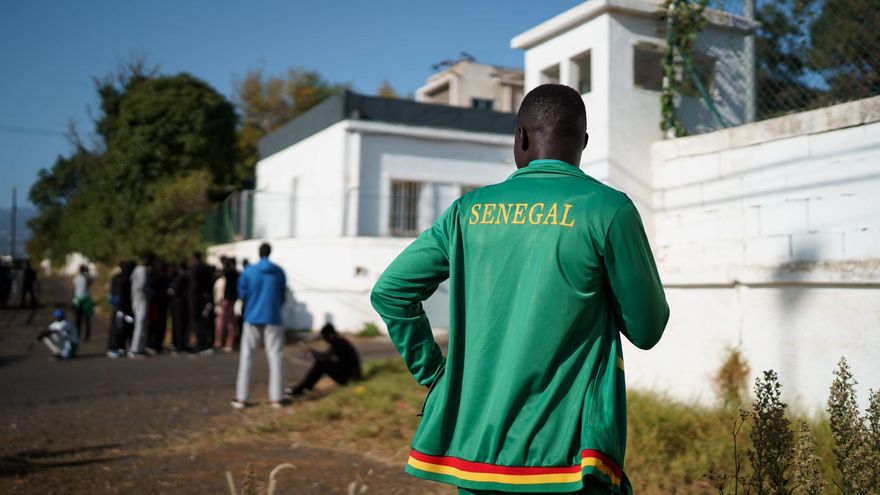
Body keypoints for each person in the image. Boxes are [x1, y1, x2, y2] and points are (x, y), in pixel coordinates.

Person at [370, 84, 669, 495]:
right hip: (568, 459)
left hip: (477, 457)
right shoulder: (608, 210)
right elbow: (647, 330)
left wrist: (437, 376)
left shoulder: (467, 212)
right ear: (583, 143)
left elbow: (391, 292)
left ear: (521, 137)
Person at [232, 243, 288, 409]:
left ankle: (241, 398)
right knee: (275, 357)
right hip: (273, 317)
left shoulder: (249, 271)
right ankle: (276, 398)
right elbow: (282, 295)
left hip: (252, 317)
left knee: (246, 357)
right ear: (270, 253)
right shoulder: (279, 272)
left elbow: (242, 293)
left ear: (259, 253)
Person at [285, 322, 361, 397]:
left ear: (330, 335)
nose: (325, 340)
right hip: (351, 376)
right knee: (323, 363)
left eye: (325, 337)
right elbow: (326, 356)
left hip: (350, 379)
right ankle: (304, 387)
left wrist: (311, 351)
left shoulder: (338, 343)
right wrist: (313, 352)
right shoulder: (340, 341)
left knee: (321, 364)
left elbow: (324, 357)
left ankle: (302, 389)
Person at [188, 252, 214, 354]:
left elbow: (193, 284)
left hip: (195, 298)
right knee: (202, 321)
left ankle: (200, 344)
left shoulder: (194, 268)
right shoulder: (205, 268)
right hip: (203, 297)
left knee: (197, 322)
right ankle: (202, 343)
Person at [129, 254, 152, 358]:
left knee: (141, 324)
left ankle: (140, 347)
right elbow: (143, 285)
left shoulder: (136, 269)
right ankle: (135, 349)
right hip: (141, 299)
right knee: (140, 324)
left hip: (136, 298)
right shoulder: (142, 270)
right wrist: (150, 292)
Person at [214, 257, 238, 352]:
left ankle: (218, 342)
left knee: (221, 322)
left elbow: (221, 273)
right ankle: (229, 343)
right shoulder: (236, 273)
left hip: (226, 300)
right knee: (231, 322)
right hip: (233, 299)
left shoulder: (227, 274)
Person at [147, 259, 170, 354]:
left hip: (160, 304)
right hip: (156, 304)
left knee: (158, 325)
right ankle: (152, 344)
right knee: (155, 325)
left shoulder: (161, 277)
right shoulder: (155, 277)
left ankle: (157, 345)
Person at [169, 261, 191, 353]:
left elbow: (175, 291)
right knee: (184, 325)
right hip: (185, 303)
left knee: (179, 325)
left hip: (178, 304)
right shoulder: (188, 276)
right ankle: (183, 343)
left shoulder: (180, 277)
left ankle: (179, 344)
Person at [72, 264, 94, 342]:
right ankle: (78, 334)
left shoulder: (88, 277)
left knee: (86, 318)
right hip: (79, 299)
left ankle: (86, 335)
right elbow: (74, 288)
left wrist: (86, 275)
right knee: (78, 319)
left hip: (85, 300)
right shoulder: (78, 278)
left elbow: (89, 283)